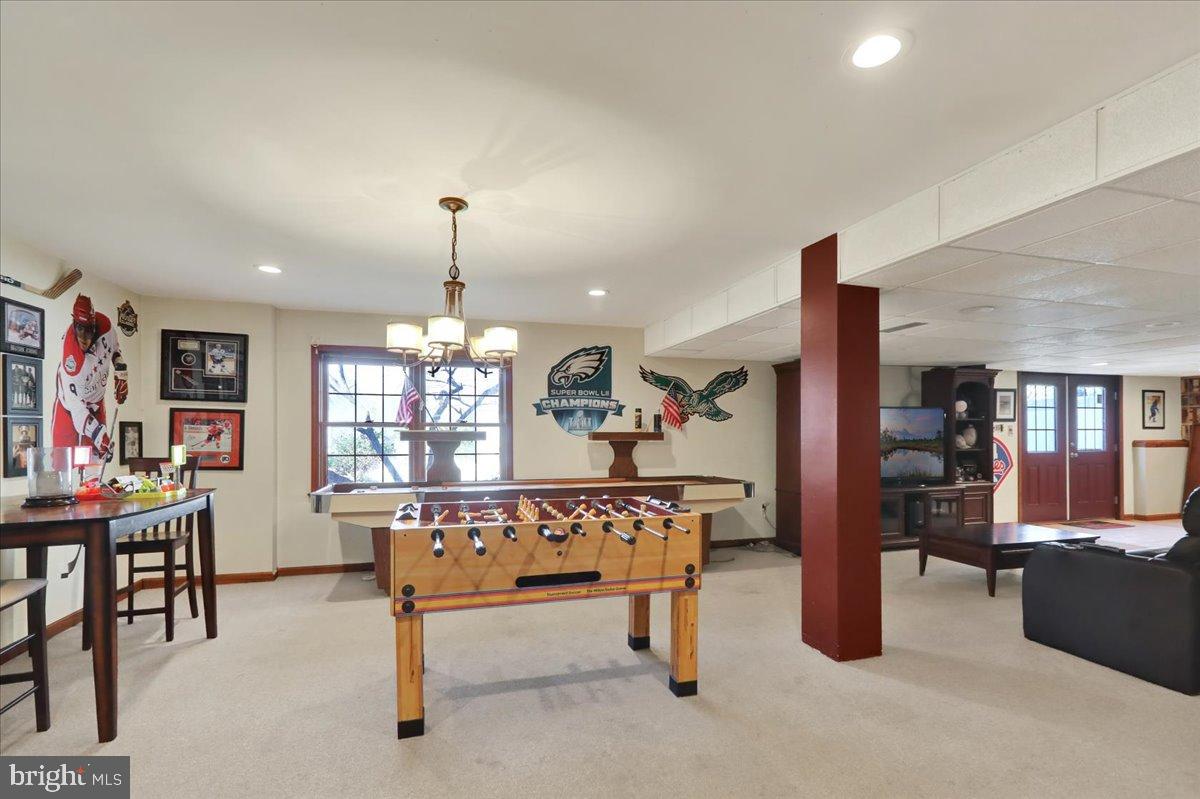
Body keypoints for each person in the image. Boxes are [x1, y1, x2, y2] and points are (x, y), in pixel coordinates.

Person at [51, 294, 127, 462]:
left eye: (89, 329)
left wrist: (122, 373)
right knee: (62, 461)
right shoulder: (71, 360)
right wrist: (99, 435)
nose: (84, 337)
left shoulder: (106, 326)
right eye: (80, 329)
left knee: (99, 459)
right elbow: (78, 410)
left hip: (96, 399)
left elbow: (115, 351)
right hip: (69, 406)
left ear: (95, 325)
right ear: (74, 324)